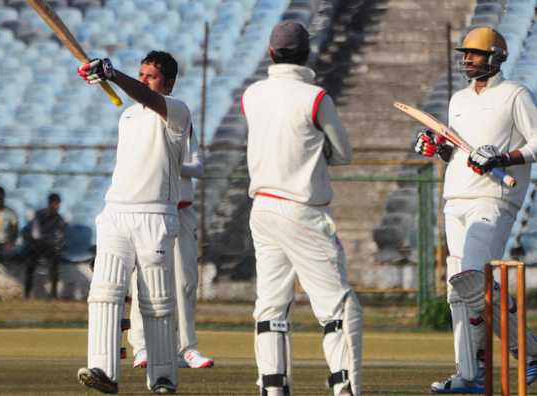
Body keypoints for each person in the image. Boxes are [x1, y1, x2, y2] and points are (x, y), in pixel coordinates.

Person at [242, 20, 363, 396]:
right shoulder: (315, 97)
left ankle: (272, 387)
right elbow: (343, 153)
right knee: (340, 307)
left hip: (262, 209)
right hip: (302, 211)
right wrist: (319, 151)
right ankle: (345, 388)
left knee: (272, 306)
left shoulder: (252, 94)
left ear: (270, 53)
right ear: (307, 53)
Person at [414, 26, 537, 394]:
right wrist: (438, 148)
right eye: (465, 53)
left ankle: (529, 353)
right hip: (456, 198)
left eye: (475, 53)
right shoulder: (458, 100)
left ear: (495, 57)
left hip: (493, 198)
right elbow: (461, 152)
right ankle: (469, 375)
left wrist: (503, 156)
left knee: (472, 280)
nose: (467, 59)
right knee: (459, 291)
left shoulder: (515, 94)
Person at [76, 50, 191, 394]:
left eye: (150, 76)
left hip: (155, 215)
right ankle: (103, 369)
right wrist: (109, 76)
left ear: (168, 83)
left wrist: (113, 74)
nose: (143, 81)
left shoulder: (177, 111)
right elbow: (138, 95)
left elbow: (147, 97)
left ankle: (163, 377)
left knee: (155, 300)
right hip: (116, 212)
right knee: (104, 292)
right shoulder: (127, 116)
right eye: (140, 74)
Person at [127, 123, 214, 369]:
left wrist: (173, 164)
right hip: (151, 211)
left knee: (185, 282)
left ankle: (186, 349)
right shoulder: (139, 125)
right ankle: (142, 347)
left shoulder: (183, 124)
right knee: (143, 279)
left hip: (183, 211)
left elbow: (198, 167)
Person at [22, 193, 66, 299]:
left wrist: (56, 244)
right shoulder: (38, 215)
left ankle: (53, 294)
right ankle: (27, 293)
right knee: (30, 264)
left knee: (54, 262)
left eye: (58, 204)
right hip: (35, 245)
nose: (57, 206)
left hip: (49, 247)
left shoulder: (59, 219)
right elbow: (34, 234)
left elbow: (60, 236)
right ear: (50, 203)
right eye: (55, 204)